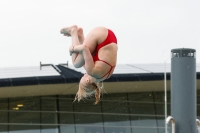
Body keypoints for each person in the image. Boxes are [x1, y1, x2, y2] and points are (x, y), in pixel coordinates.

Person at [60, 25, 118, 104]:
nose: (84, 73)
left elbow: (87, 55)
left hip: (110, 36)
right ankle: (73, 31)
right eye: (83, 76)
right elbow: (84, 48)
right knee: (76, 64)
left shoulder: (104, 76)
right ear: (87, 81)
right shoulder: (92, 71)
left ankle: (80, 35)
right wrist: (72, 49)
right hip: (101, 36)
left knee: (84, 62)